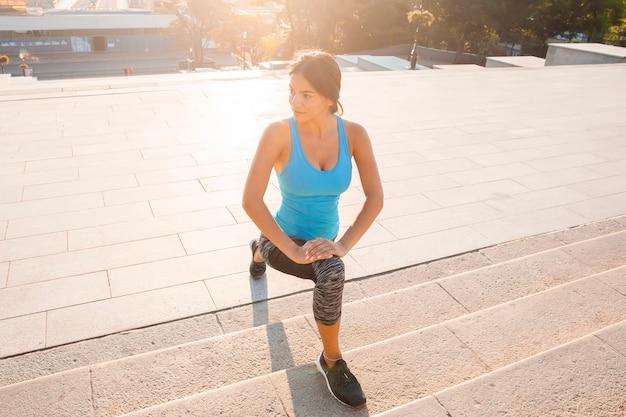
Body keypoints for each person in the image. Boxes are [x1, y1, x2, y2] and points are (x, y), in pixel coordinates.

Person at [242, 49, 383, 409]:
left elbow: (375, 197)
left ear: (330, 97)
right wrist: (290, 250)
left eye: (307, 95)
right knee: (330, 270)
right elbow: (251, 201)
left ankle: (258, 249)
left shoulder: (354, 134)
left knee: (331, 262)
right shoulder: (278, 133)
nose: (295, 102)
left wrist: (345, 244)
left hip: (322, 242)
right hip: (285, 241)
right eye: (291, 91)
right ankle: (332, 360)